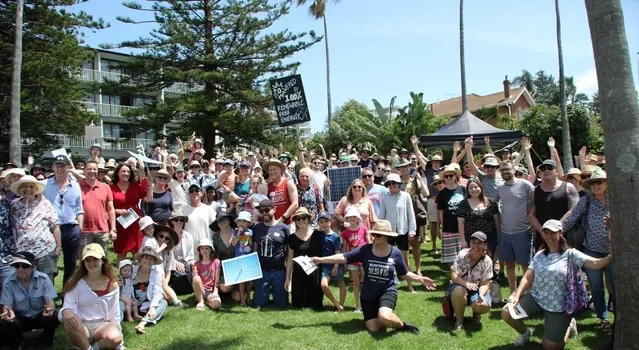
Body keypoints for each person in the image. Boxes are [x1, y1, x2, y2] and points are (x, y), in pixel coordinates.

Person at [501, 220, 613, 349]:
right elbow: (527, 277)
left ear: (560, 233)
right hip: (537, 299)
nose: (549, 236)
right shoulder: (540, 255)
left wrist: (611, 255)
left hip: (559, 306)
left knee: (550, 347)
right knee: (507, 313)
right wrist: (516, 295)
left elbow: (596, 263)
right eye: (546, 233)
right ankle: (525, 334)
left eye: (552, 233)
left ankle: (569, 326)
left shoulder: (571, 254)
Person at [312, 220, 436, 334]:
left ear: (387, 236)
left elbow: (404, 273)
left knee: (384, 317)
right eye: (374, 234)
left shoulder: (395, 253)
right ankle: (383, 314)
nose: (374, 237)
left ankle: (402, 326)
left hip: (387, 291)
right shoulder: (366, 250)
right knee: (374, 328)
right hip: (368, 295)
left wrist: (421, 279)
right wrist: (321, 260)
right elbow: (344, 257)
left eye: (378, 235)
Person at [561, 168, 613, 329]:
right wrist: (555, 232)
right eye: (593, 183)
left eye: (599, 182)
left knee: (615, 285)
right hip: (592, 251)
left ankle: (618, 315)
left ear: (606, 183)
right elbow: (572, 218)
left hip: (613, 251)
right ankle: (603, 318)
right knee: (596, 287)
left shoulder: (617, 200)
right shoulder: (587, 201)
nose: (596, 185)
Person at [60, 244, 123, 350]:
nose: (91, 263)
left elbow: (115, 312)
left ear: (103, 260)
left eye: (95, 259)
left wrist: (119, 343)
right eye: (87, 260)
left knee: (115, 337)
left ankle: (94, 347)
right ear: (83, 263)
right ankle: (86, 347)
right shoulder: (75, 282)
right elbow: (67, 305)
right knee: (68, 319)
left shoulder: (112, 284)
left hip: (102, 325)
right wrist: (65, 311)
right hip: (81, 325)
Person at [0, 251, 60, 349]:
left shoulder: (43, 279)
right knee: (5, 322)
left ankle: (46, 340)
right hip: (20, 317)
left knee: (54, 316)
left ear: (33, 267)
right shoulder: (8, 282)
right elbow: (7, 307)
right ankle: (19, 340)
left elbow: (51, 303)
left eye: (24, 266)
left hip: (39, 315)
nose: (20, 269)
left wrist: (49, 310)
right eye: (17, 266)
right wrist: (8, 313)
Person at [41, 154, 84, 286]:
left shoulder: (75, 186)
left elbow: (79, 208)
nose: (60, 169)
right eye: (57, 166)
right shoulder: (44, 184)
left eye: (63, 166)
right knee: (49, 265)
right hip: (50, 229)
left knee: (71, 265)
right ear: (53, 167)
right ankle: (49, 295)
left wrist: (80, 228)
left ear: (68, 168)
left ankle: (68, 295)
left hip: (71, 228)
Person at [494, 160, 535, 299]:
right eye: (502, 170)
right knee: (509, 265)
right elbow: (495, 202)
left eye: (507, 169)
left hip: (523, 231)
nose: (505, 172)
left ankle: (529, 294)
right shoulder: (500, 188)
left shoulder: (525, 185)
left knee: (525, 265)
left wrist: (533, 223)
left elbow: (536, 203)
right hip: (505, 232)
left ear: (514, 169)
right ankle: (512, 293)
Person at [9, 175, 61, 283]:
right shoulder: (14, 207)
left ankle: (48, 301)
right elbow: (13, 228)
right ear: (19, 189)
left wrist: (58, 245)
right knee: (25, 283)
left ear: (36, 189)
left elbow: (55, 226)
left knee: (46, 282)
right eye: (24, 186)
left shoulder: (45, 204)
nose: (28, 189)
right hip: (23, 252)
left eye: (31, 186)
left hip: (45, 250)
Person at [529, 160, 580, 250]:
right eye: (543, 169)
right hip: (543, 236)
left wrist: (557, 227)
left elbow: (575, 210)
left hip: (565, 234)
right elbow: (530, 214)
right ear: (539, 174)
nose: (546, 170)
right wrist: (543, 231)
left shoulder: (568, 187)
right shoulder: (534, 191)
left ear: (556, 172)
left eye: (550, 168)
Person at [447, 232, 494, 330]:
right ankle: (459, 321)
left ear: (485, 245)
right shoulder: (462, 254)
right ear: (470, 243)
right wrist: (466, 284)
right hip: (459, 285)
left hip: (477, 288)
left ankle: (477, 314)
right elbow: (454, 276)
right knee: (460, 290)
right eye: (473, 242)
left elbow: (485, 284)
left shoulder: (488, 261)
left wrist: (481, 295)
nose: (476, 246)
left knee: (483, 306)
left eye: (479, 243)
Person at [110, 163, 153, 266]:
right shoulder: (111, 188)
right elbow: (108, 207)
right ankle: (122, 276)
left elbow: (148, 199)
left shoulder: (135, 186)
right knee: (121, 251)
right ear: (118, 173)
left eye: (128, 172)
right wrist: (117, 211)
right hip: (120, 223)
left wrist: (150, 185)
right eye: (123, 171)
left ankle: (138, 275)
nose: (126, 173)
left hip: (135, 223)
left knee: (138, 250)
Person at [252, 199, 290, 307]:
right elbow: (254, 248)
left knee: (282, 304)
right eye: (261, 211)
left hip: (279, 270)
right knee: (259, 303)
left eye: (267, 210)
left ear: (274, 209)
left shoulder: (283, 228)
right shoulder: (257, 228)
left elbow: (288, 251)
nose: (264, 213)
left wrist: (287, 273)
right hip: (262, 270)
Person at [285, 207, 324, 310]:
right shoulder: (291, 238)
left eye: (304, 217)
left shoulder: (318, 235)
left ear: (308, 219)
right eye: (298, 218)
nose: (301, 220)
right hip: (298, 273)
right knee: (298, 304)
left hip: (314, 271)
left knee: (315, 303)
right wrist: (287, 278)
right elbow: (289, 259)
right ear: (295, 221)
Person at [79, 160, 116, 254]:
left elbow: (111, 210)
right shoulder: (77, 187)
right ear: (84, 171)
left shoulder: (105, 187)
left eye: (95, 169)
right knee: (85, 261)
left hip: (102, 231)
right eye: (89, 169)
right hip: (84, 231)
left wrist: (113, 229)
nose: (92, 171)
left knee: (102, 261)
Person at [456, 178, 500, 255]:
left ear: (481, 187)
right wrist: (463, 240)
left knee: (489, 259)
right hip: (472, 237)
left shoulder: (491, 202)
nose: (474, 189)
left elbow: (496, 221)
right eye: (471, 188)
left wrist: (499, 236)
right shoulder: (463, 204)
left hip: (490, 236)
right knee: (474, 259)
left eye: (476, 187)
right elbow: (460, 223)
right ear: (468, 190)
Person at [132, 247, 169, 334]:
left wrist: (152, 308)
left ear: (154, 262)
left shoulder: (156, 274)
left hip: (146, 305)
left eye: (151, 259)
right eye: (146, 258)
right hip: (131, 304)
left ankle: (143, 323)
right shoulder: (132, 270)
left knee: (163, 303)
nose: (148, 261)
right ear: (141, 259)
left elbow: (157, 292)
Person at [437, 164, 467, 266]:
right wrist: (441, 227)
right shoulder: (442, 193)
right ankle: (453, 278)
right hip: (448, 227)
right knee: (451, 257)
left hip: (463, 227)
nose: (449, 178)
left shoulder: (464, 190)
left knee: (464, 254)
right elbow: (440, 212)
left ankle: (464, 278)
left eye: (451, 175)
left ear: (456, 177)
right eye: (446, 176)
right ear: (444, 179)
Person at [317, 211, 346, 311]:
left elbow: (338, 252)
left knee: (341, 283)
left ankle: (341, 305)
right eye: (321, 222)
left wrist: (336, 266)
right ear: (318, 223)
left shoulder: (335, 237)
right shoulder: (319, 234)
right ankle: (336, 303)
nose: (323, 224)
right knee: (323, 285)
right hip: (324, 266)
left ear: (331, 222)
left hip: (335, 265)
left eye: (326, 221)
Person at [210, 212, 240, 301]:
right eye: (219, 221)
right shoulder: (215, 237)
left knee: (237, 298)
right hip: (223, 269)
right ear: (217, 224)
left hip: (238, 267)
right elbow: (213, 257)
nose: (222, 222)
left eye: (224, 219)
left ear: (229, 220)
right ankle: (222, 289)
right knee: (225, 288)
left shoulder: (238, 232)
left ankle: (237, 290)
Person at [182, 183, 216, 256]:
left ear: (201, 193)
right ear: (188, 194)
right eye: (191, 191)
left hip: (206, 251)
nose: (194, 192)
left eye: (196, 190)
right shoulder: (182, 210)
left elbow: (215, 229)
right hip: (191, 251)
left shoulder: (209, 209)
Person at [264, 158, 299, 227]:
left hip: (289, 223)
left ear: (280, 170)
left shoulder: (288, 183)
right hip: (273, 223)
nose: (272, 171)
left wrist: (282, 218)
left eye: (274, 169)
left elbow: (295, 204)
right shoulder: (268, 186)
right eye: (270, 170)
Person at [168, 209, 195, 296]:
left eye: (181, 220)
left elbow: (190, 255)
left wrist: (183, 263)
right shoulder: (168, 236)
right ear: (172, 221)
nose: (179, 222)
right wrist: (175, 263)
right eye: (176, 220)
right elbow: (166, 254)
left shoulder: (188, 236)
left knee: (194, 263)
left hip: (185, 263)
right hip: (170, 263)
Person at [191, 238, 222, 311]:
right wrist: (194, 271)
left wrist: (215, 291)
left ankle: (206, 301)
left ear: (211, 249)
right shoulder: (196, 263)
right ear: (199, 250)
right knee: (196, 278)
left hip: (210, 291)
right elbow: (195, 280)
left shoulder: (216, 262)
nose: (204, 251)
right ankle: (200, 301)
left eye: (207, 248)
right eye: (202, 248)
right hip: (201, 289)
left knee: (216, 304)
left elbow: (217, 279)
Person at [233, 211, 254, 306]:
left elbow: (252, 245)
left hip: (248, 259)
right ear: (237, 223)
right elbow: (233, 244)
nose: (242, 223)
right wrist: (238, 234)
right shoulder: (235, 231)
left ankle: (248, 298)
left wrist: (248, 237)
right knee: (241, 281)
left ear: (248, 223)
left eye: (244, 221)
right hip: (239, 259)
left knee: (248, 280)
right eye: (240, 221)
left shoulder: (250, 232)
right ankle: (242, 300)